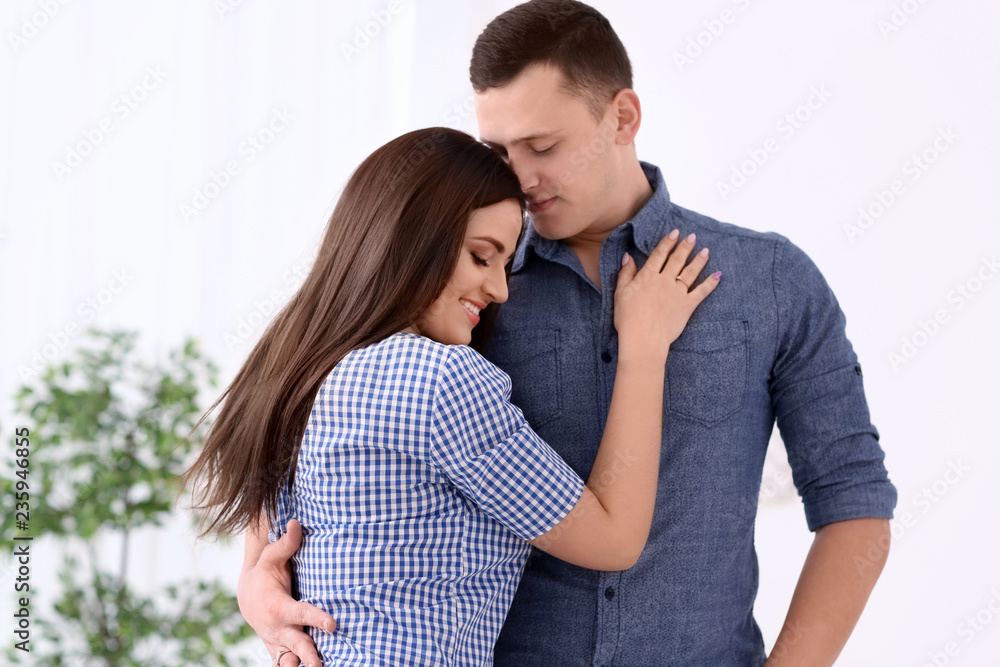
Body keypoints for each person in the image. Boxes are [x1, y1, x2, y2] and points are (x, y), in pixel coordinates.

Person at [240, 2, 899, 665]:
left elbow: (854, 501)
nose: (520, 178)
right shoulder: (462, 285)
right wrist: (255, 577)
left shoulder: (771, 280)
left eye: (543, 146)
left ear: (622, 117)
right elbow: (319, 421)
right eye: (499, 150)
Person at [184, 127, 720, 665]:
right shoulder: (440, 381)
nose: (500, 289)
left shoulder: (298, 370)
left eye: (506, 264)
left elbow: (270, 543)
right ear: (412, 236)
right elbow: (614, 540)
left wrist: (251, 589)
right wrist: (645, 347)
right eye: (482, 256)